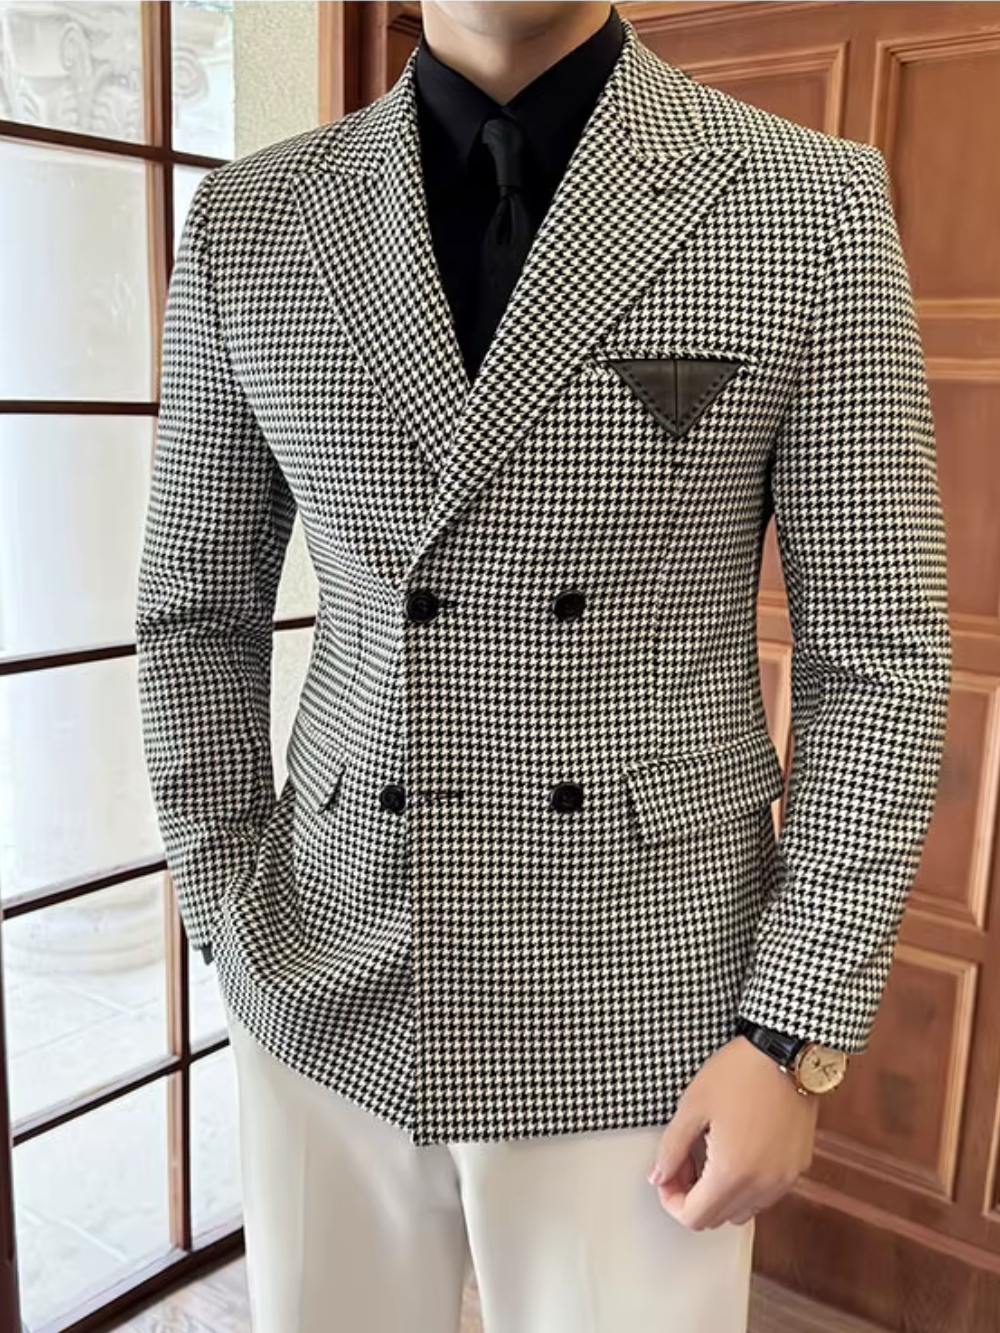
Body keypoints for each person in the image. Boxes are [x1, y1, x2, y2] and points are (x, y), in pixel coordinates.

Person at [134, 4, 952, 1331]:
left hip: (648, 995)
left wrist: (792, 1030)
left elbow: (880, 657)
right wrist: (226, 907)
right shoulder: (251, 220)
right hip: (324, 960)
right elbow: (195, 612)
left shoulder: (810, 205)